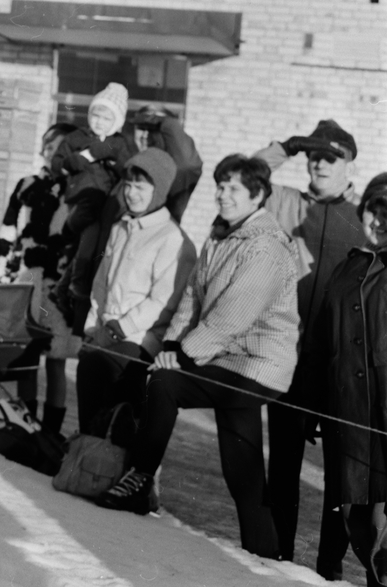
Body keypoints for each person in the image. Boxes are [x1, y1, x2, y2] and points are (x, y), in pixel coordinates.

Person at [97, 155, 299, 560]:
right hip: (225, 360)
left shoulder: (265, 247)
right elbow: (192, 299)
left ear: (257, 196)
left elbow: (232, 316)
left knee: (167, 384)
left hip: (257, 364)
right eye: (220, 187)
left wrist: (181, 360)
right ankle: (265, 556)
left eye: (233, 189)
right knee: (241, 465)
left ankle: (140, 477)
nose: (222, 195)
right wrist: (171, 347)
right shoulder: (221, 237)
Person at [258, 119, 365, 575]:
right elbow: (246, 176)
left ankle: (329, 568)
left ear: (349, 164)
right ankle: (278, 556)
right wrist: (285, 147)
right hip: (289, 359)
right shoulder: (285, 203)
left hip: (340, 367)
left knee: (340, 475)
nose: (320, 162)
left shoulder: (364, 218)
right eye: (314, 153)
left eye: (331, 155)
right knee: (282, 466)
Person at [76, 148, 196, 431]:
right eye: (128, 185)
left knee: (95, 371)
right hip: (108, 331)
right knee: (96, 379)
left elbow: (163, 301)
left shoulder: (173, 239)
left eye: (140, 187)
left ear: (159, 189)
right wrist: (93, 329)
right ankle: (90, 449)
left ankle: (117, 455)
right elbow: (101, 285)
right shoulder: (121, 228)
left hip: (142, 337)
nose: (131, 193)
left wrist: (119, 328)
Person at [318, 172, 387, 587]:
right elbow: (323, 341)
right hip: (349, 412)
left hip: (383, 414)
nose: (378, 220)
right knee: (355, 517)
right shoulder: (348, 267)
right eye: (372, 211)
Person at [0, 121, 77, 435]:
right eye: (51, 147)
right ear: (42, 149)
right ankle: (24, 424)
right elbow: (8, 228)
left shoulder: (76, 190)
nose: (55, 155)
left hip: (56, 285)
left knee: (56, 360)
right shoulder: (27, 185)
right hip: (26, 277)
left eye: (63, 150)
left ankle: (50, 434)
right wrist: (0, 271)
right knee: (26, 356)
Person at [50, 83, 137, 334]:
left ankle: (68, 289)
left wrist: (105, 154)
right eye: (95, 115)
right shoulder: (76, 138)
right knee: (82, 249)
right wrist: (70, 163)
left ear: (117, 120)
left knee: (87, 252)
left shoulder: (119, 143)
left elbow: (126, 167)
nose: (99, 121)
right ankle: (73, 289)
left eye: (106, 117)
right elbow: (57, 162)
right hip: (80, 201)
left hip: (103, 207)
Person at [130, 107, 203, 224]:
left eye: (154, 130)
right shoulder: (124, 161)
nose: (145, 135)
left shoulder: (174, 172)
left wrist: (167, 122)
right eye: (141, 128)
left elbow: (188, 165)